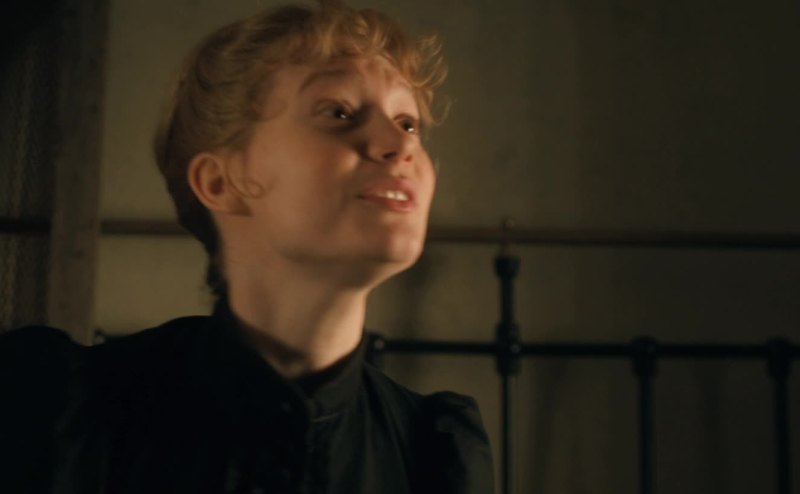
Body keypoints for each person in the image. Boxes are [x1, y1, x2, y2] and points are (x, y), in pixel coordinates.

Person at [0, 1, 494, 493]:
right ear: (221, 182)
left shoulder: (433, 452)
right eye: (339, 112)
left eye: (409, 123)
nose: (402, 145)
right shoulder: (59, 414)